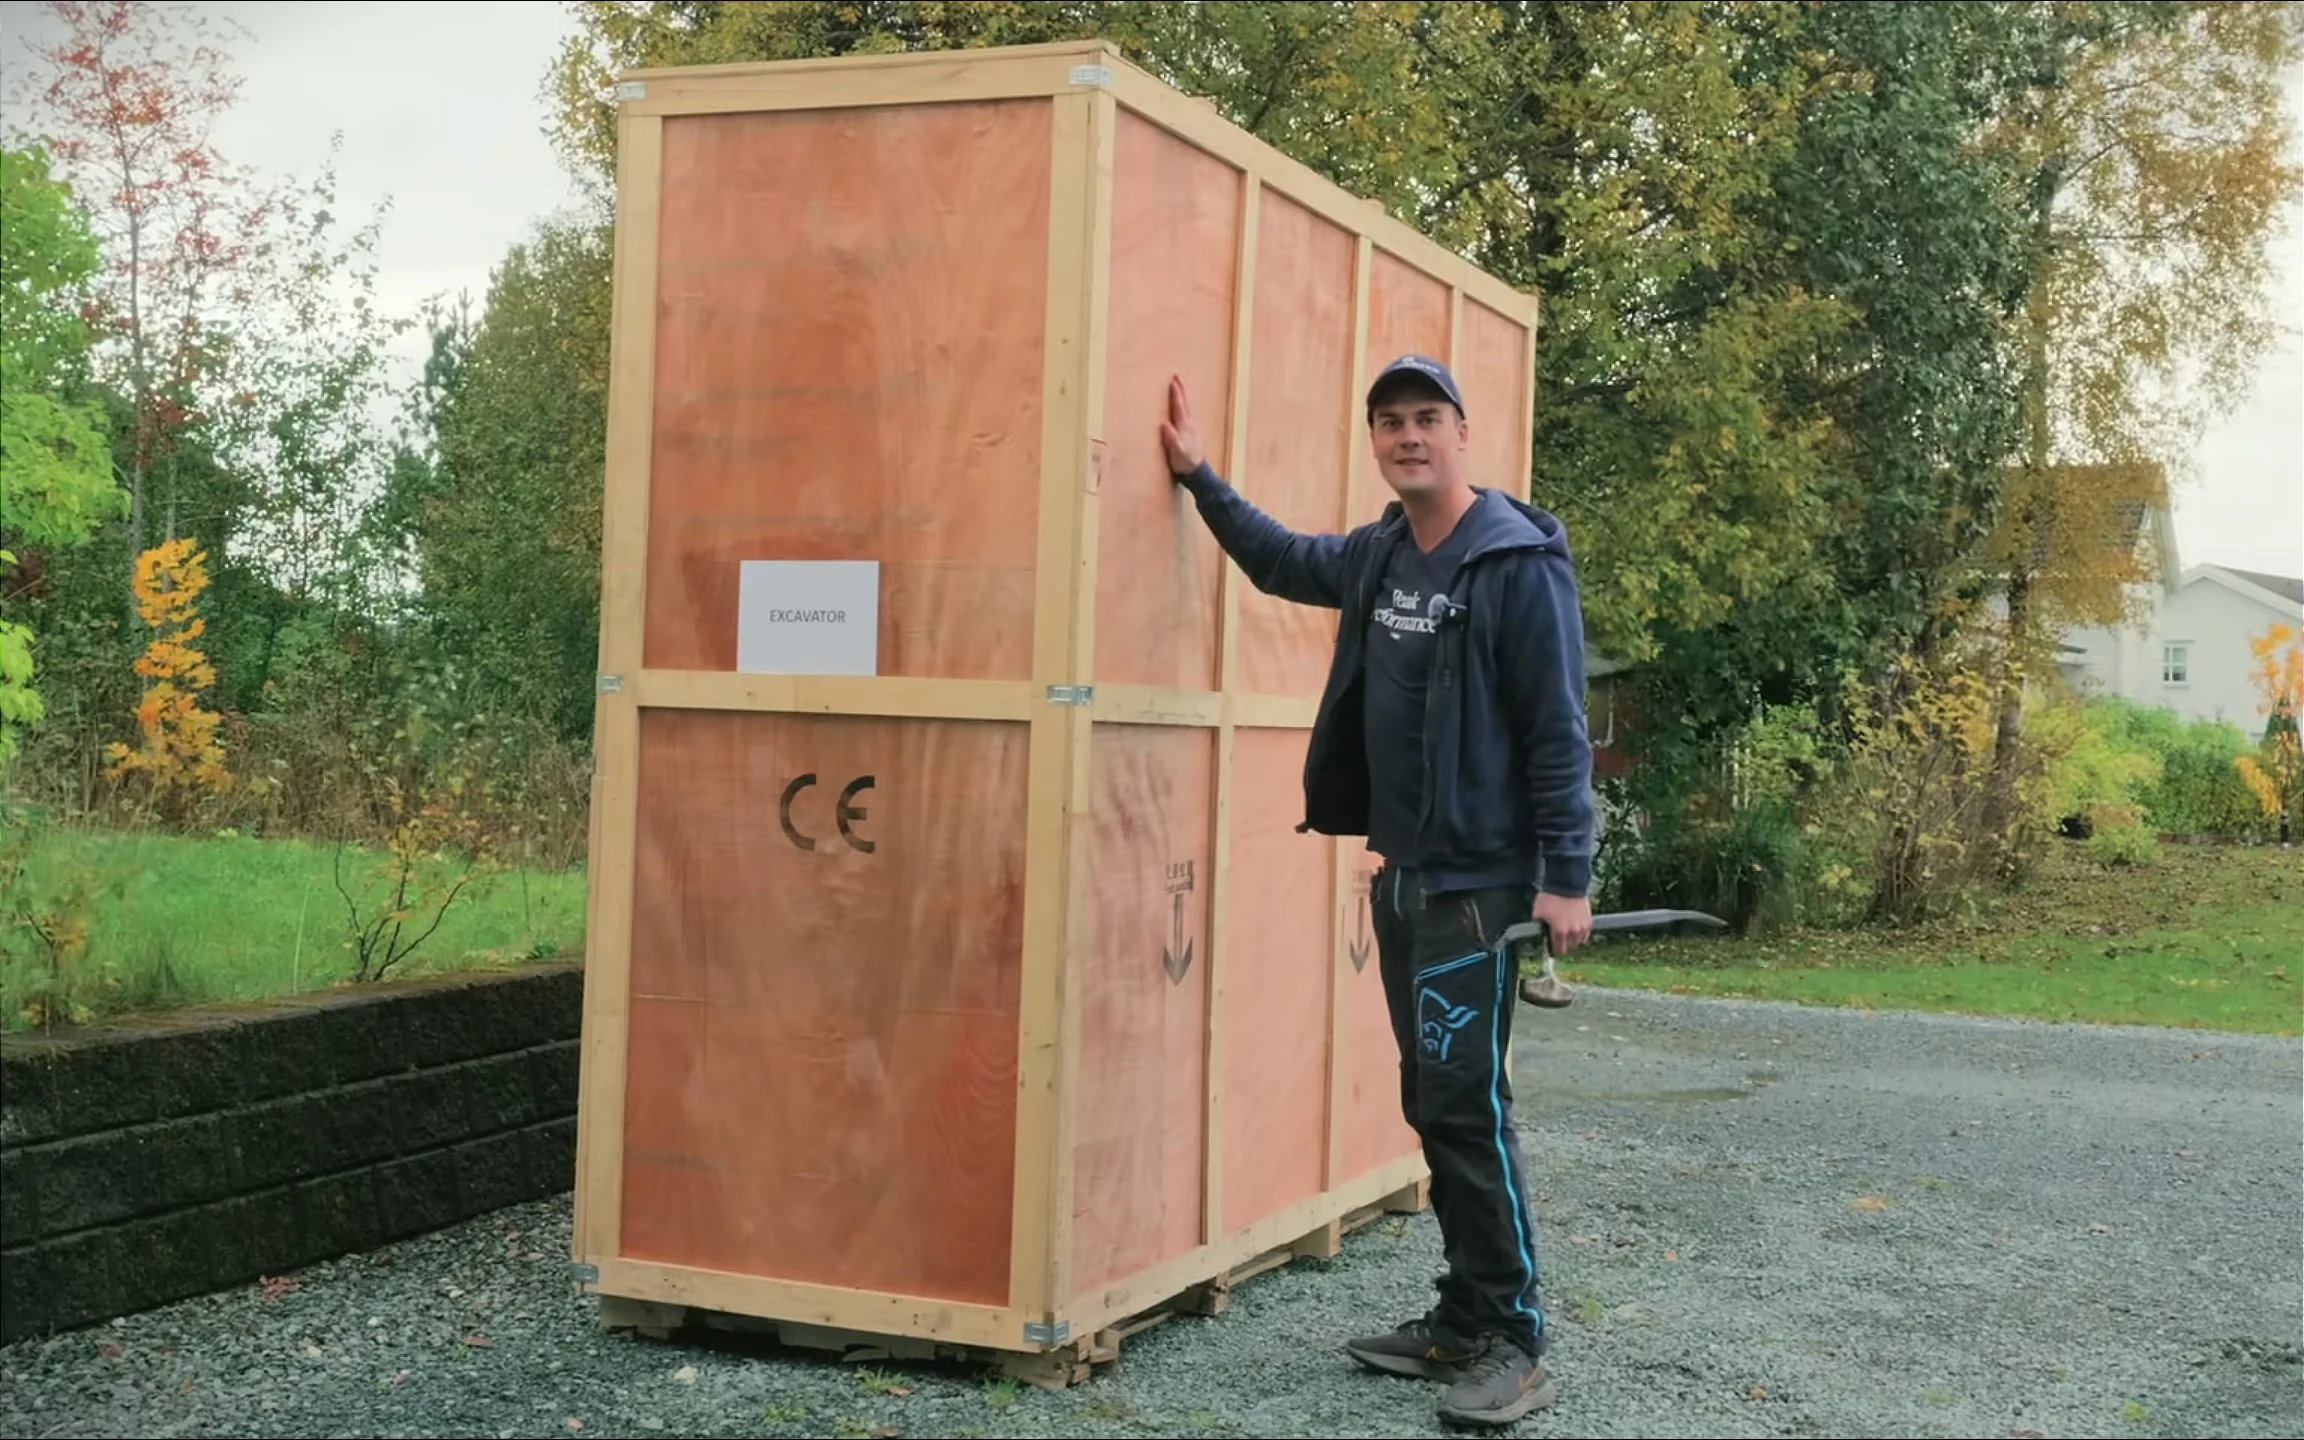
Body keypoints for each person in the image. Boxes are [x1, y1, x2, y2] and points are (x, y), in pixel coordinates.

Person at [1159, 355, 1596, 1429]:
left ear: (1462, 435)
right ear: (1377, 442)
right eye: (1390, 422)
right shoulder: (1381, 556)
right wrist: (1200, 477)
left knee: (1467, 1105)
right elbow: (1279, 560)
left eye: (1427, 418)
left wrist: (1566, 877)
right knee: (1431, 1097)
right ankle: (1465, 1316)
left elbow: (1558, 729)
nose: (1409, 436)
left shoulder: (1515, 565)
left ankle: (1513, 1338)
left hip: (1480, 888)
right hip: (1402, 875)